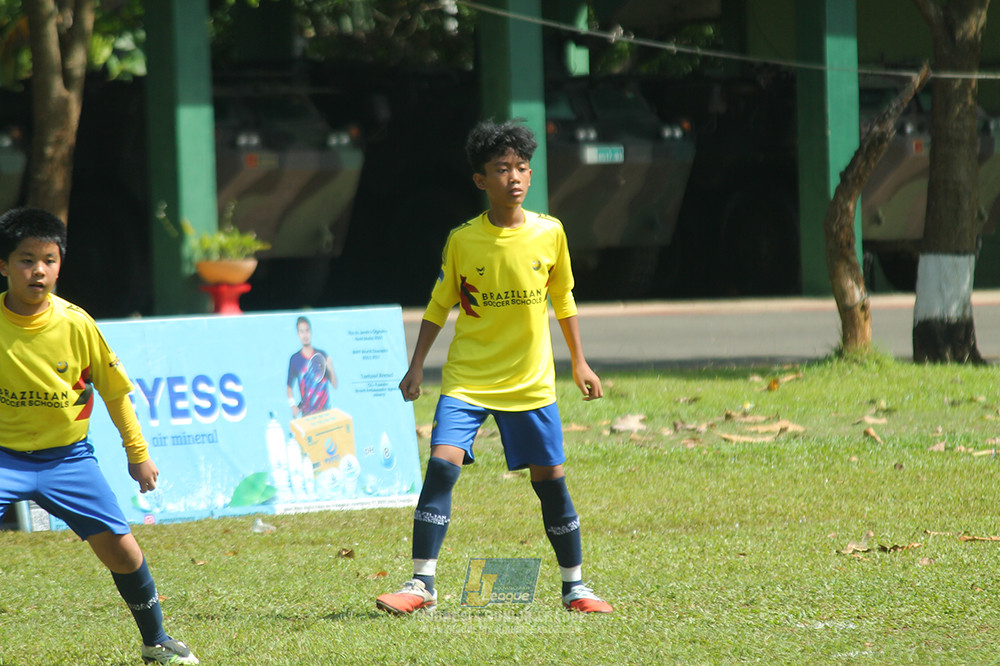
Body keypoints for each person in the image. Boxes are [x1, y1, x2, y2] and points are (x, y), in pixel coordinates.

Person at [376, 120, 612, 615]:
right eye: (502, 169)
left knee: (551, 481)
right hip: (469, 379)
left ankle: (576, 587)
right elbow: (438, 306)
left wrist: (581, 363)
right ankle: (421, 585)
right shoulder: (463, 240)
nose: (515, 177)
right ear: (481, 180)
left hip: (530, 384)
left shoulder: (551, 233)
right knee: (441, 467)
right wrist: (416, 365)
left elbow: (564, 298)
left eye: (522, 167)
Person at [0, 208, 199, 664]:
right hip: (4, 457)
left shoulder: (76, 323)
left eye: (48, 260)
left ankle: (156, 641)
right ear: (3, 266)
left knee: (124, 552)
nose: (38, 270)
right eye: (26, 259)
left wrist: (138, 453)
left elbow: (116, 393)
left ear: (59, 265)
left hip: (67, 460)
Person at [286, 316, 337, 417]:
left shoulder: (322, 354)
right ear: (298, 334)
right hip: (307, 415)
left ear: (311, 332)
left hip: (326, 413)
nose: (305, 335)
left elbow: (334, 384)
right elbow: (289, 387)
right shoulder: (294, 359)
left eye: (307, 330)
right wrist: (293, 406)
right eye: (302, 331)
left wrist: (330, 367)